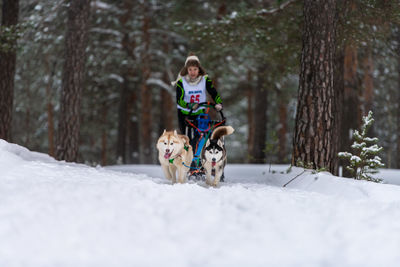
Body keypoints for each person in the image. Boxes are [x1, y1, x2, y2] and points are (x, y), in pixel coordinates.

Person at [172, 54, 223, 137]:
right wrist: (189, 105)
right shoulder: (181, 81)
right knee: (186, 138)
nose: (193, 72)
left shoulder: (205, 79)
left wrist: (219, 103)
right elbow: (179, 100)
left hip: (200, 112)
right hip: (185, 114)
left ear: (199, 69)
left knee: (201, 137)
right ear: (186, 70)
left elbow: (213, 92)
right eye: (190, 69)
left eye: (195, 69)